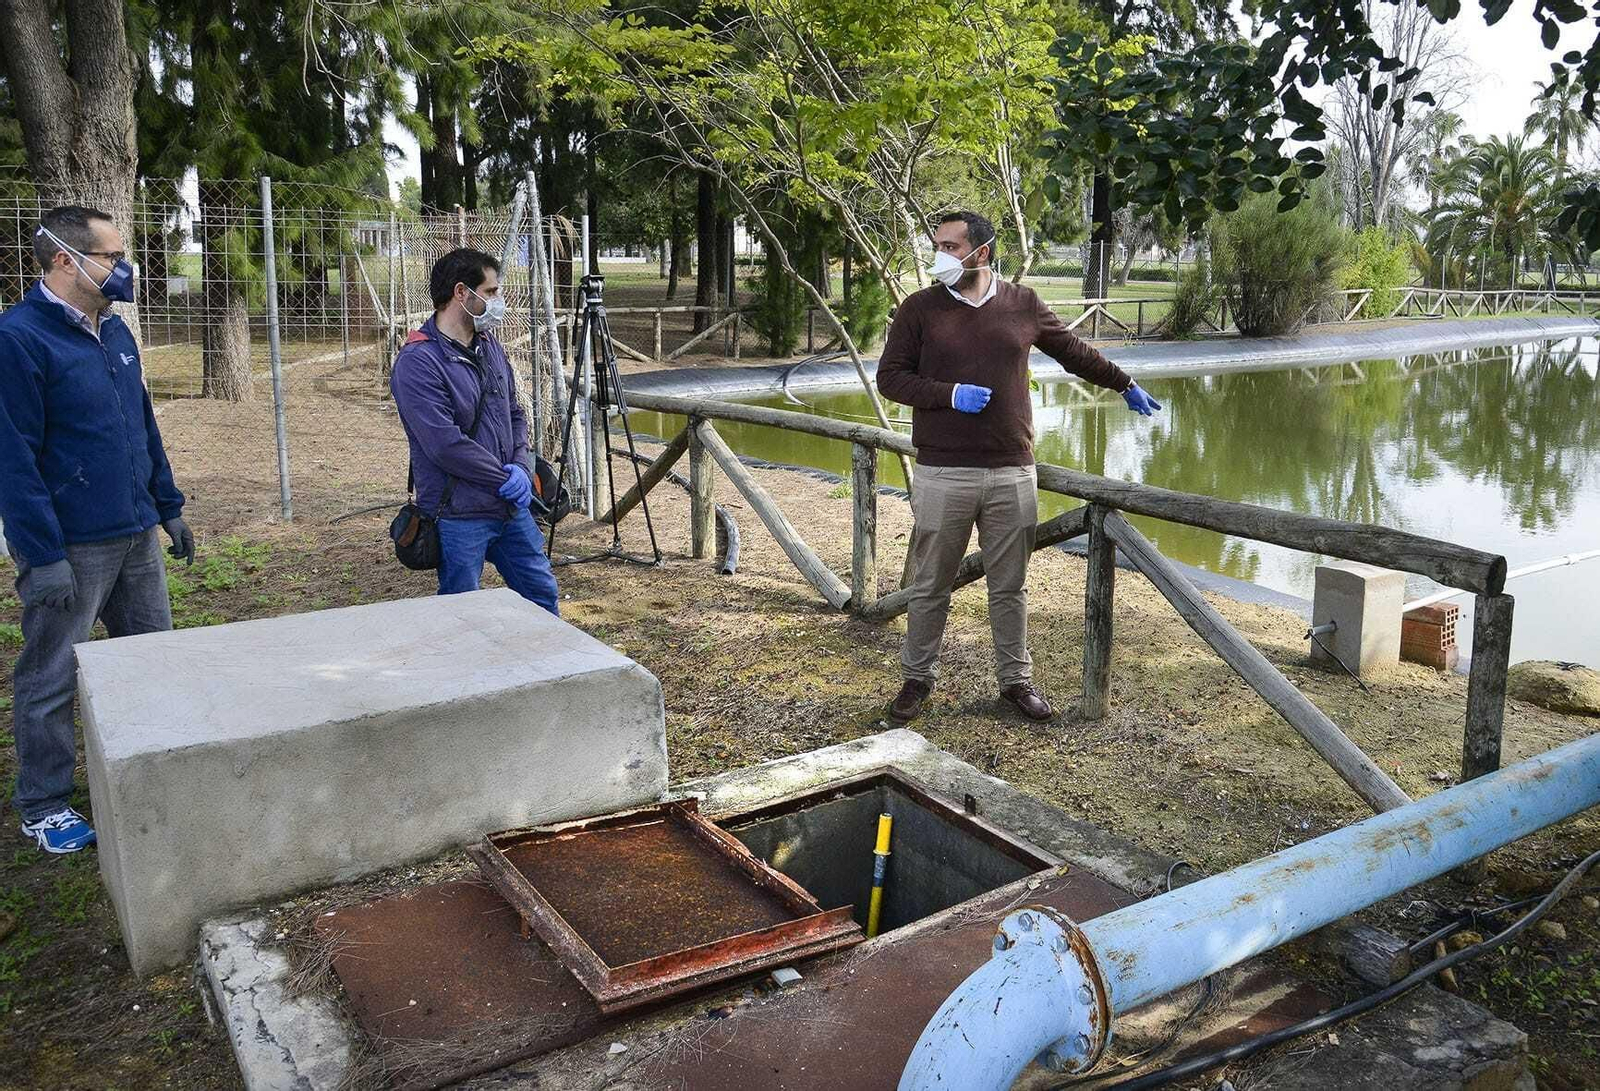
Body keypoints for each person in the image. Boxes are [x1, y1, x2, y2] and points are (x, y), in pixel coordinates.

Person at [877, 210, 1162, 724]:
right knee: (931, 585)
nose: (938, 256)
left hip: (1011, 470)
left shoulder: (1022, 303)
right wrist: (949, 394)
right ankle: (917, 678)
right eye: (936, 246)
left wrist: (1124, 383)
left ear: (980, 252)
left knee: (1009, 586)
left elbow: (1073, 351)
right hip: (944, 473)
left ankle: (1015, 682)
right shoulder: (919, 309)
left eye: (948, 247)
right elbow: (891, 379)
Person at [0, 205, 194, 855]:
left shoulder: (114, 332)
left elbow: (142, 424)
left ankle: (152, 769)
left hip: (135, 531)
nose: (124, 266)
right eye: (112, 256)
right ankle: (43, 802)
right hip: (71, 546)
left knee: (152, 659)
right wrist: (41, 553)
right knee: (52, 672)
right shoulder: (19, 339)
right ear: (66, 260)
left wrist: (167, 505)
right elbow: (12, 458)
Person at [390, 247, 559, 614]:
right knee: (462, 612)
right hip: (458, 513)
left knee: (542, 594)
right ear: (461, 293)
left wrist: (522, 466)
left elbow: (515, 413)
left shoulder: (489, 346)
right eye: (491, 292)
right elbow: (445, 445)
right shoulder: (418, 362)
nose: (499, 301)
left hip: (509, 507)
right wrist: (504, 478)